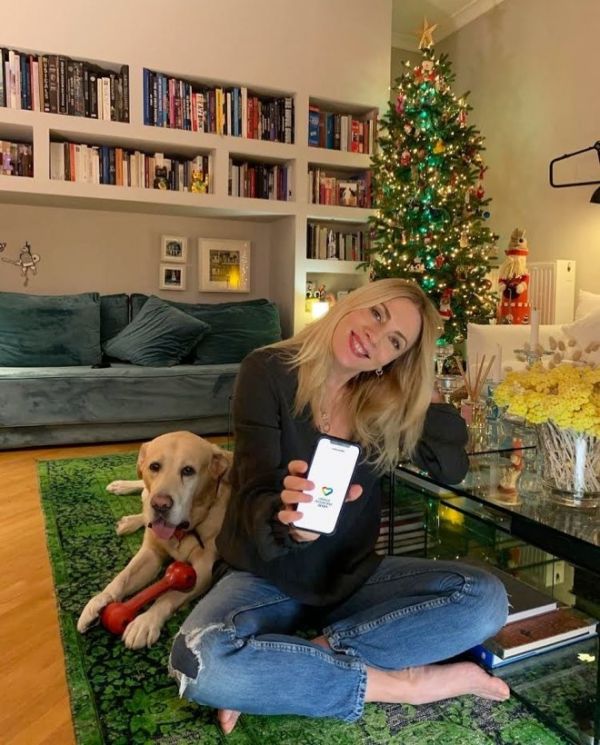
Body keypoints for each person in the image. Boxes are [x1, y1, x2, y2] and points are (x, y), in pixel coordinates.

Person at [169, 278, 509, 734]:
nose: (375, 336)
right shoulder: (268, 370)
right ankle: (404, 685)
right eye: (377, 314)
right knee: (197, 662)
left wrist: (418, 383)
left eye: (395, 342)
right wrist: (291, 524)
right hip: (264, 575)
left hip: (349, 578)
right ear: (353, 304)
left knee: (486, 601)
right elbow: (252, 491)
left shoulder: (383, 401)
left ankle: (302, 663)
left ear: (394, 360)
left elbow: (451, 466)